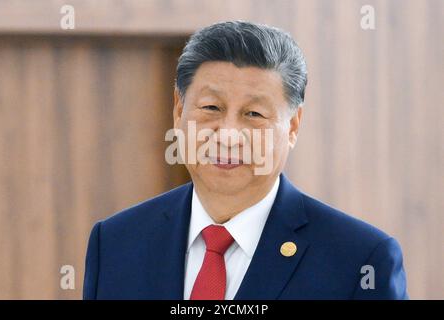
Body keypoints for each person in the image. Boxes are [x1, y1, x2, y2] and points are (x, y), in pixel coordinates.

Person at [83, 21, 408, 300]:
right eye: (211, 108)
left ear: (292, 126)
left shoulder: (360, 260)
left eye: (253, 114)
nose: (228, 135)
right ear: (179, 110)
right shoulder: (115, 243)